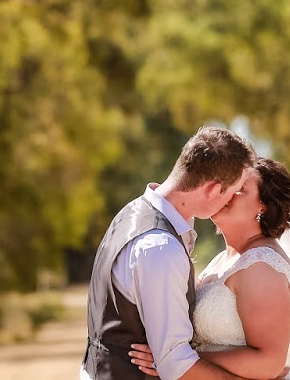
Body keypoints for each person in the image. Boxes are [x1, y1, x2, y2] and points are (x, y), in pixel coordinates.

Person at [128, 158, 290, 380]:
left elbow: (268, 363)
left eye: (240, 189)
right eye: (226, 184)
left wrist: (176, 360)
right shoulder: (224, 260)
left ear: (263, 206)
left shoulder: (262, 266)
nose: (226, 192)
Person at [81, 126, 258, 380]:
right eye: (233, 192)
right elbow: (176, 364)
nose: (231, 201)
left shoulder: (133, 212)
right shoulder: (161, 248)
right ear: (212, 189)